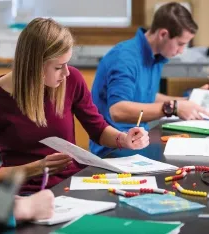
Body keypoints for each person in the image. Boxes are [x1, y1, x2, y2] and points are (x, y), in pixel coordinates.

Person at [0, 18, 149, 194]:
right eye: (59, 67)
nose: (66, 72)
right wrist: (36, 168)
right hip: (25, 192)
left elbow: (98, 130)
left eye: (67, 64)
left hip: (73, 183)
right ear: (35, 66)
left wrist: (124, 139)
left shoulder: (72, 79)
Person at [89, 2, 209, 157]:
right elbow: (117, 110)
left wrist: (188, 101)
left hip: (139, 140)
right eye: (180, 44)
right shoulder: (125, 58)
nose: (181, 51)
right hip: (114, 148)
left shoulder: (156, 56)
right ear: (163, 34)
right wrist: (173, 108)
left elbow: (146, 96)